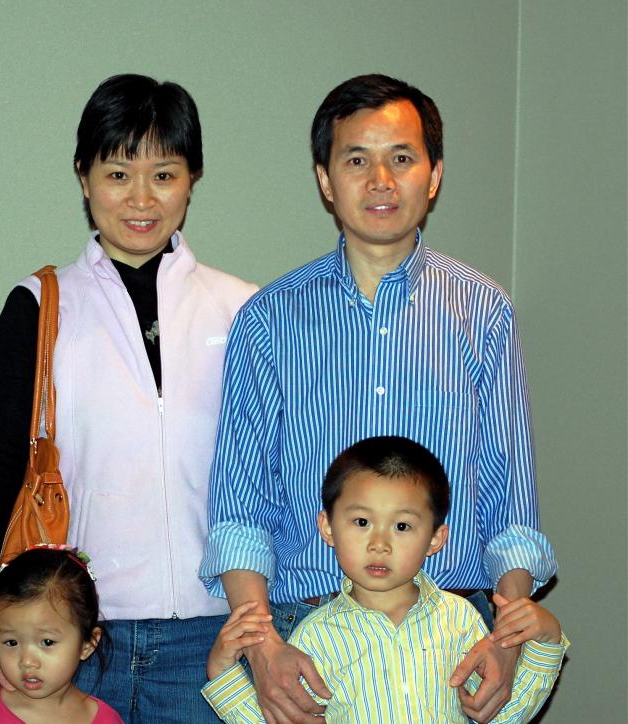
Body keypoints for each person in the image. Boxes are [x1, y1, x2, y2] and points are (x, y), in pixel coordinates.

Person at [200, 73, 557, 723]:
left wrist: (507, 641)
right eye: (357, 160)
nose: (381, 181)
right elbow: (239, 510)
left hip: (456, 628)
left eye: (402, 158)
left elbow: (512, 507)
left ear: (435, 174)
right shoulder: (267, 320)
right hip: (303, 634)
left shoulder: (485, 313)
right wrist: (261, 648)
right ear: (325, 180)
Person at [0, 74, 257, 723]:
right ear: (84, 176)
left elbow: (273, 479)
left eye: (164, 174)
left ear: (192, 179)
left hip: (210, 642)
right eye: (118, 173)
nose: (140, 198)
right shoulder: (39, 306)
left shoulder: (244, 310)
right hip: (70, 646)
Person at [202, 437, 568, 723]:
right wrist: (223, 676)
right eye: (361, 522)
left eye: (402, 526)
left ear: (436, 538)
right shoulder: (314, 636)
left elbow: (503, 714)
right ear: (328, 527)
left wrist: (546, 642)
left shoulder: (460, 621)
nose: (379, 544)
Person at [0, 546, 122, 723]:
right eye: (12, 642)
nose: (27, 661)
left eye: (47, 642)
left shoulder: (107, 719)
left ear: (87, 644)